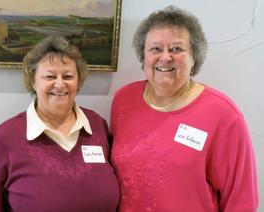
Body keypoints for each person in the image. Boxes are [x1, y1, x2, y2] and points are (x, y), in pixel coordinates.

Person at [110, 5, 258, 212]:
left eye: (176, 49)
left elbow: (241, 201)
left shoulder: (223, 115)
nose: (165, 57)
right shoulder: (124, 100)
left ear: (194, 56)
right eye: (155, 49)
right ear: (143, 56)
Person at [0, 35, 120, 212]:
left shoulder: (97, 126)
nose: (59, 84)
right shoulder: (4, 139)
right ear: (33, 81)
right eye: (49, 76)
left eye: (68, 76)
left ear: (78, 80)